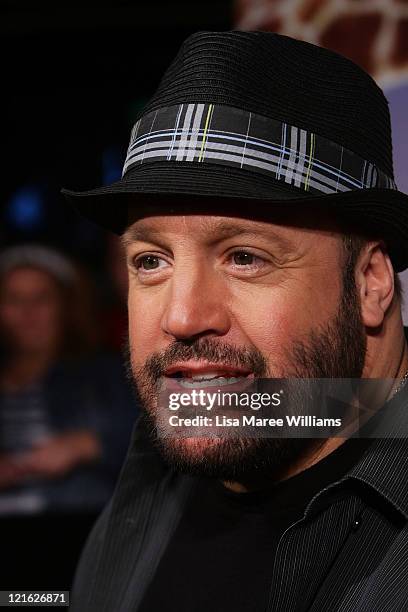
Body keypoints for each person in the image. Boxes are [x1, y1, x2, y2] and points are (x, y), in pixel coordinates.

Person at [63, 31, 408, 611]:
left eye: (245, 257)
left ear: (371, 282)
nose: (181, 316)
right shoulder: (154, 467)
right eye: (151, 261)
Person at [0, 244, 134, 513]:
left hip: (73, 530)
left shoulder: (105, 375)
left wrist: (87, 446)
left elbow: (163, 446)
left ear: (65, 306)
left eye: (41, 298)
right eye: (14, 299)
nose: (28, 313)